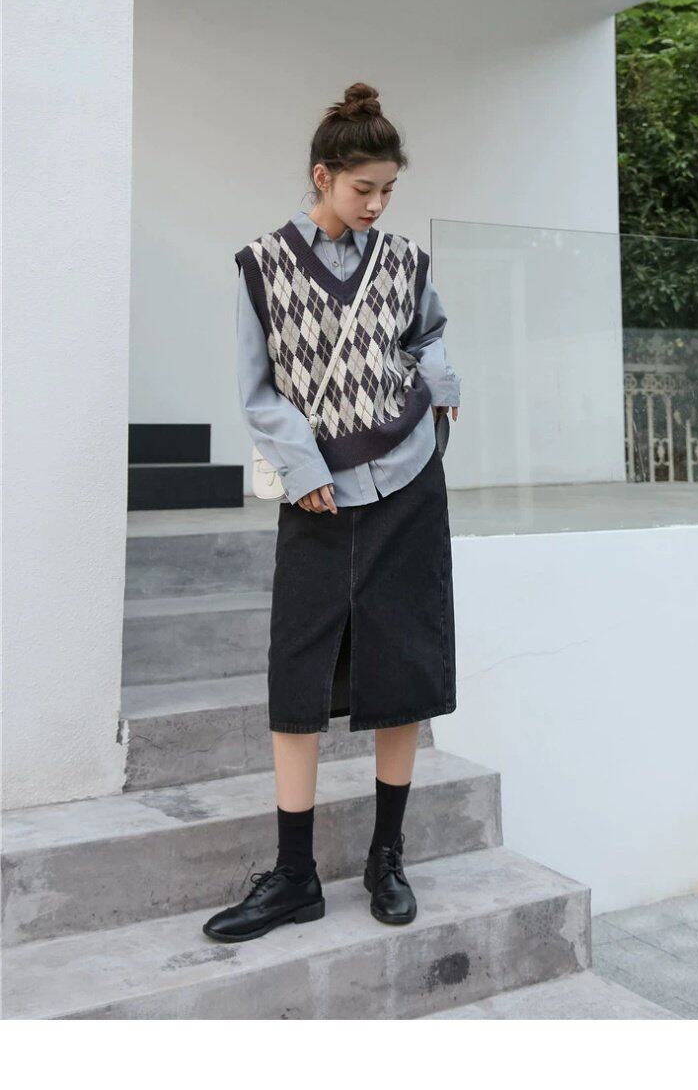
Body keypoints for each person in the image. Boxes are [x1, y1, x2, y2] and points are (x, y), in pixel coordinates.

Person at [203, 82, 461, 944]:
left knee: (403, 668)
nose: (377, 204)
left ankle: (387, 856)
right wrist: (302, 464)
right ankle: (294, 875)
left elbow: (426, 336)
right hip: (318, 495)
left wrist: (442, 388)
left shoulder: (406, 260)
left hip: (409, 484)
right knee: (297, 677)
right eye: (363, 188)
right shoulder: (261, 264)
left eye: (389, 189)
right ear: (323, 176)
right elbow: (258, 390)